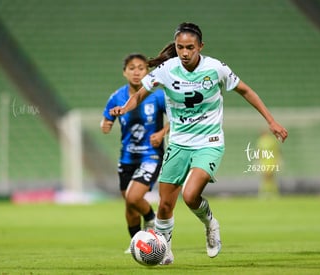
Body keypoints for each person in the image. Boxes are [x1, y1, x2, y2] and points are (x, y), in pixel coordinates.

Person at [109, 22, 288, 264]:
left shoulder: (216, 68)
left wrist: (271, 121)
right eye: (180, 47)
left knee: (191, 195)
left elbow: (246, 91)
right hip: (179, 143)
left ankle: (210, 224)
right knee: (164, 206)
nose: (184, 52)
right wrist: (124, 108)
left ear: (200, 47)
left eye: (190, 47)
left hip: (209, 142)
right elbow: (140, 94)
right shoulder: (167, 69)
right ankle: (165, 251)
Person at [100, 53, 169, 253]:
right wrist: (106, 124)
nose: (137, 72)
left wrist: (162, 132)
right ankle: (137, 244)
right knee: (130, 205)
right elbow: (106, 121)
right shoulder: (117, 97)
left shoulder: (157, 95)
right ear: (124, 72)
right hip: (127, 157)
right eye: (132, 68)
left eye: (141, 68)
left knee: (133, 197)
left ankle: (151, 220)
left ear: (147, 72)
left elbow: (176, 118)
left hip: (151, 155)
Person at [257, 130, 281, 198]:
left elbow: (276, 151)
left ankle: (268, 193)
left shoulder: (264, 141)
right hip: (267, 161)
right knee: (268, 178)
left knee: (268, 178)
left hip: (269, 161)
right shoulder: (265, 140)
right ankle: (269, 193)